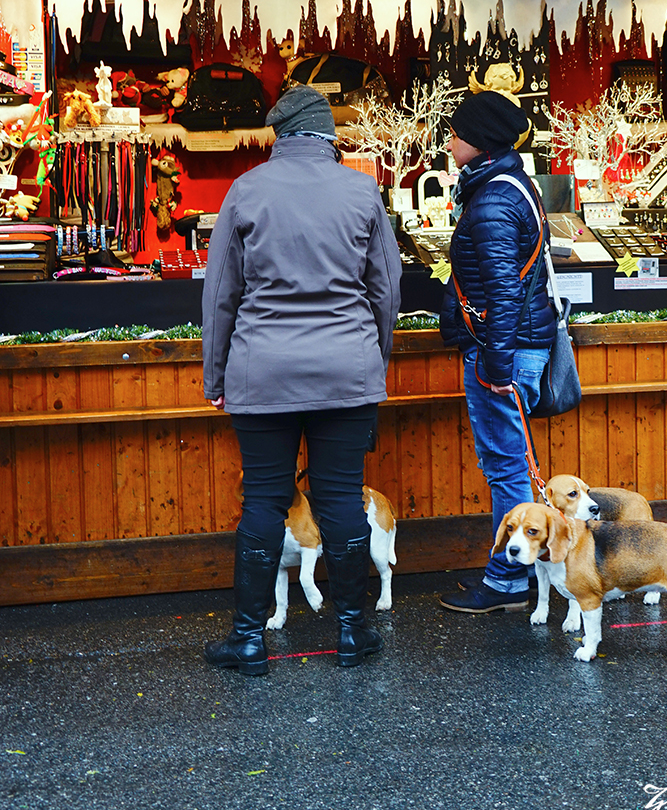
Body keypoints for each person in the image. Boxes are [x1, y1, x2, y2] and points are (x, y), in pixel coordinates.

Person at [202, 85, 402, 672]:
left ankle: (247, 639)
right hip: (347, 367)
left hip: (261, 371)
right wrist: (372, 361)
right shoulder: (362, 190)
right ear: (328, 137)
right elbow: (386, 291)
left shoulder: (246, 190)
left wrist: (216, 375)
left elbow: (221, 295)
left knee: (263, 501)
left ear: (279, 136)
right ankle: (351, 633)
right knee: (340, 499)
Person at [438, 90, 556, 613]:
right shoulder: (507, 185)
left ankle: (507, 582)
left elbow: (504, 291)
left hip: (501, 351)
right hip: (512, 345)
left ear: (479, 141)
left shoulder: (492, 200)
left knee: (507, 469)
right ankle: (517, 574)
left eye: (457, 132)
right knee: (508, 466)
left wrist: (496, 366)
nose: (450, 140)